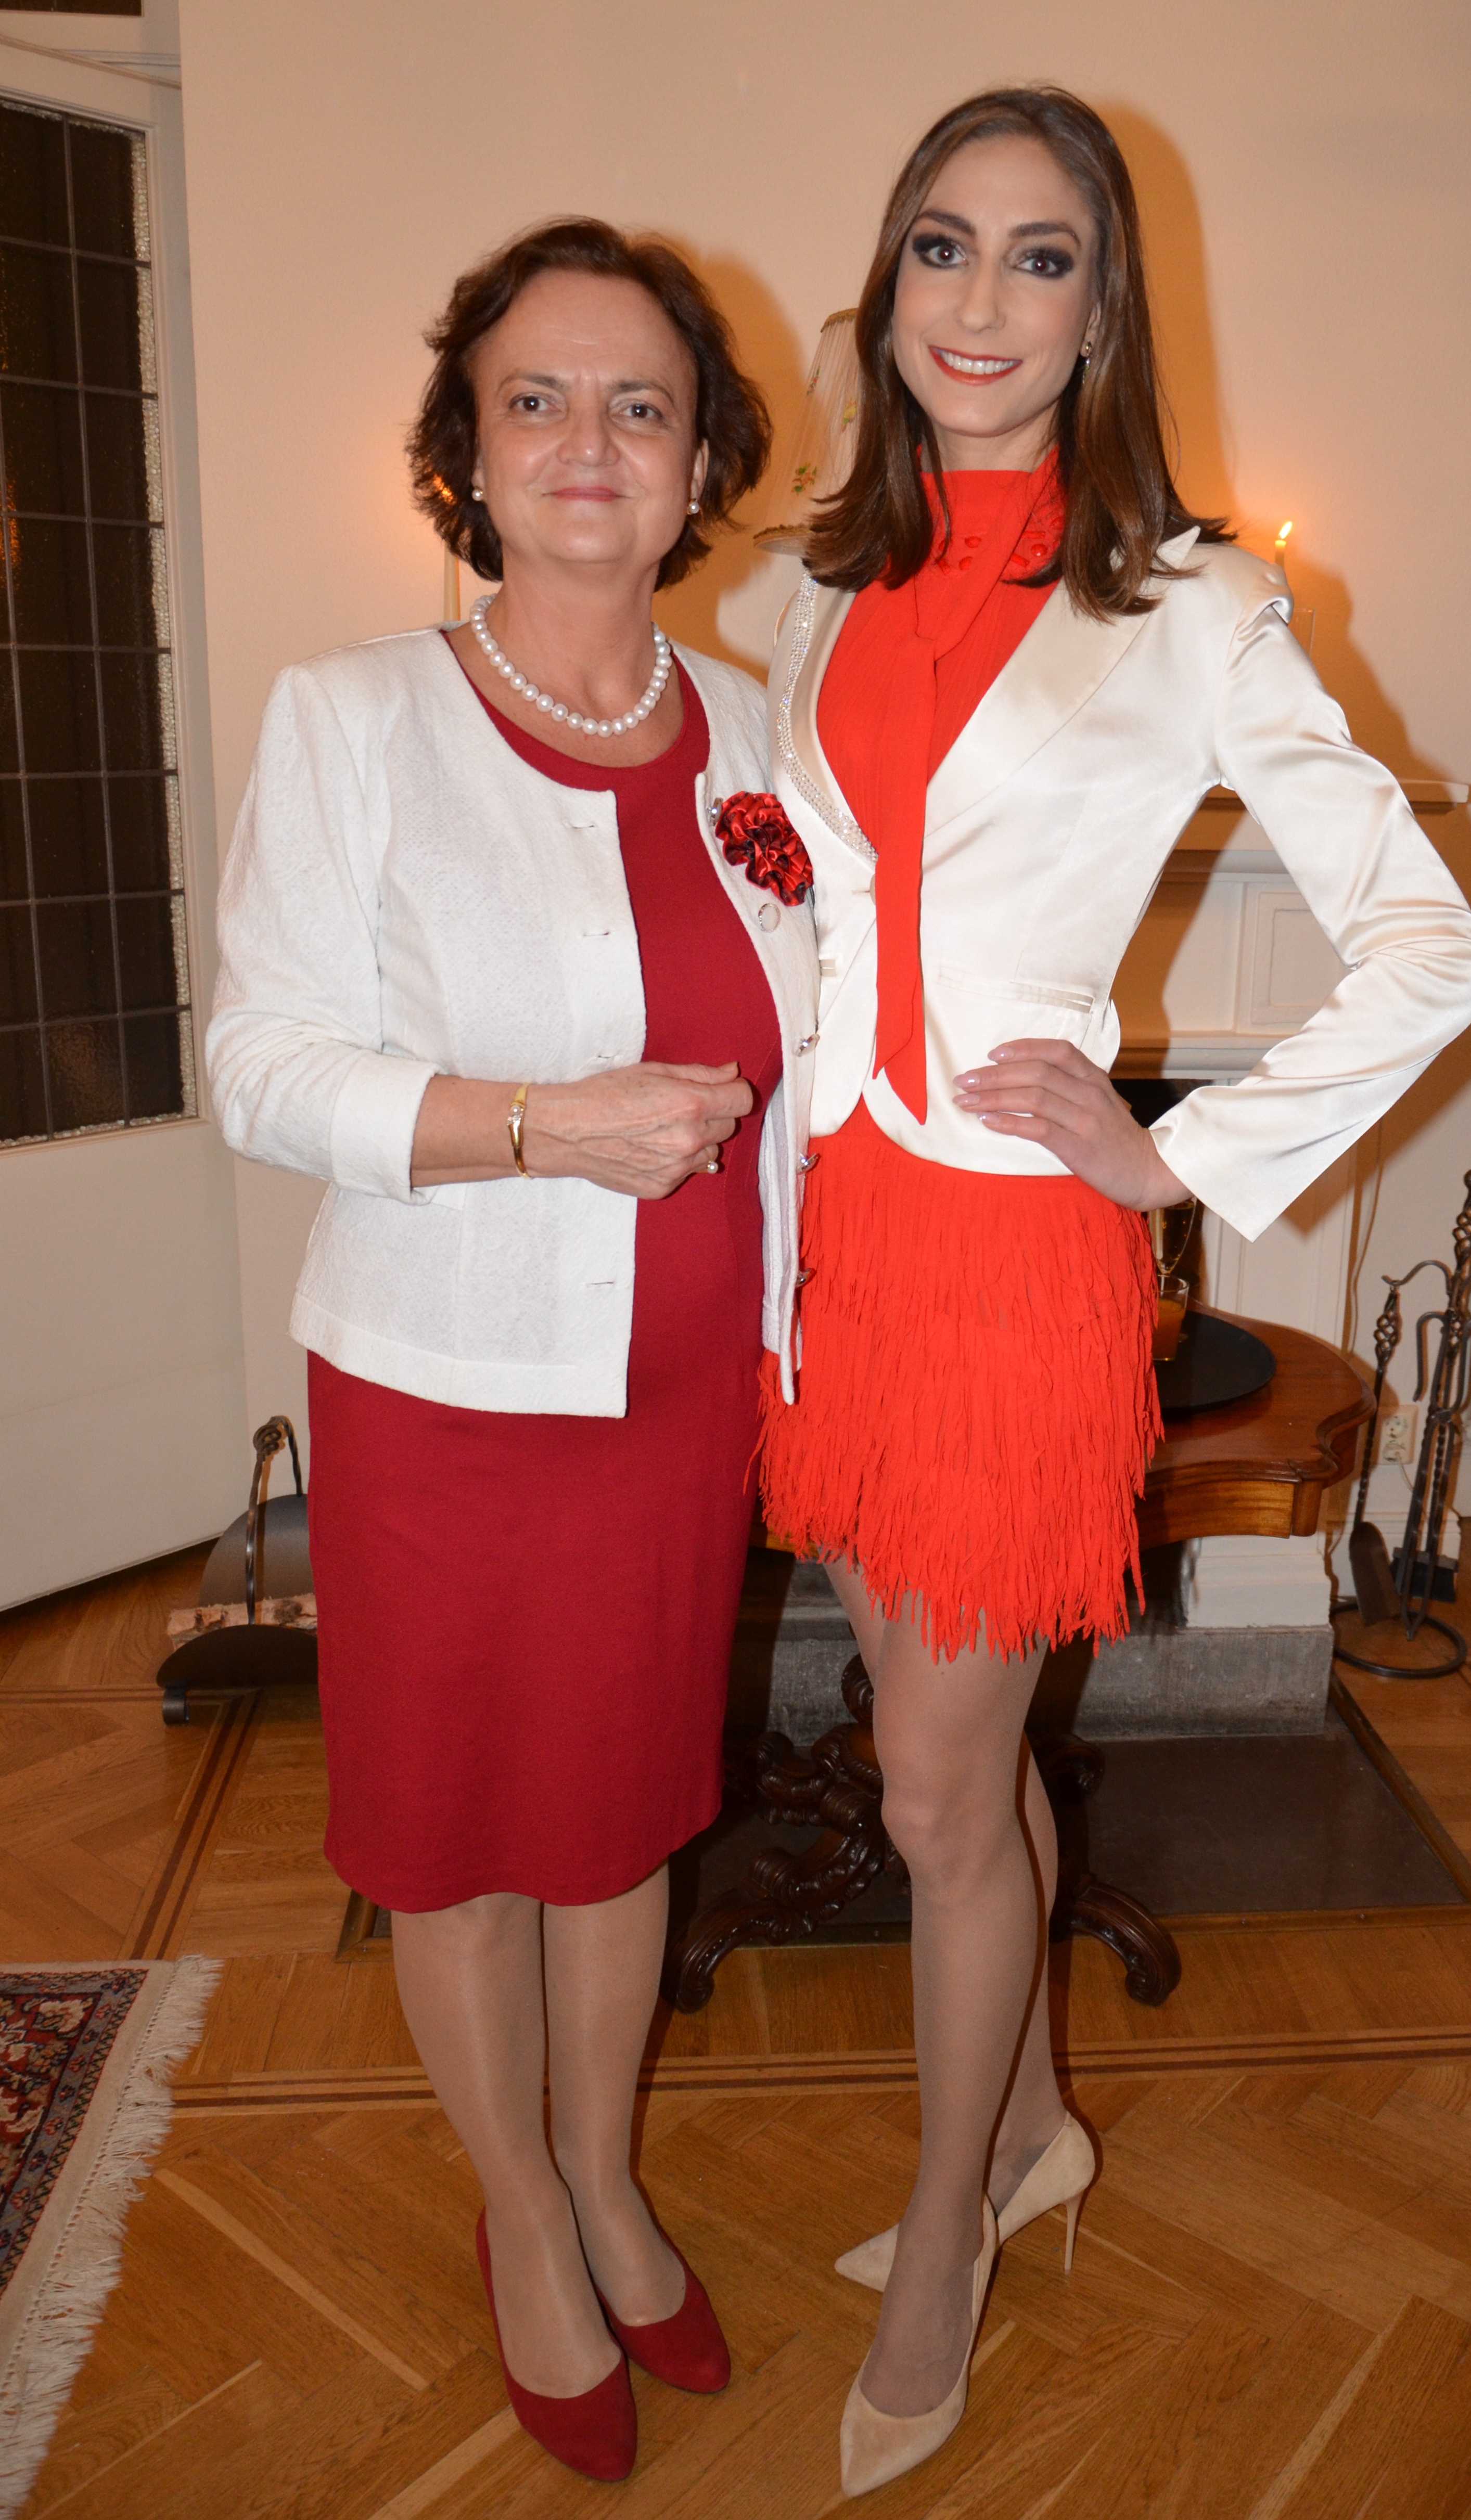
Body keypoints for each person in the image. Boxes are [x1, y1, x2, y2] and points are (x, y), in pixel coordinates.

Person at [759, 88, 1471, 2497]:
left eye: (1040, 256)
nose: (979, 301)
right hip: (840, 1243)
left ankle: (947, 2230)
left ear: (1106, 314)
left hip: (1011, 1263)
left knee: (931, 1787)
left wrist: (1177, 1150)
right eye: (940, 247)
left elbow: (1432, 940)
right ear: (889, 283)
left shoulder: (1192, 602)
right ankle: (1038, 2123)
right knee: (954, 1770)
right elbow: (812, 893)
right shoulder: (825, 581)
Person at [207, 218, 817, 2483]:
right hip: (447, 1389)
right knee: (468, 1837)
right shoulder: (356, 714)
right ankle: (529, 2214)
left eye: (640, 403)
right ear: (466, 452)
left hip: (679, 1393)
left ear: (700, 465)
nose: (589, 440)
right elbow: (259, 1061)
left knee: (620, 1812)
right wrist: (544, 1124)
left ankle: (609, 2168)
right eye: (535, 399)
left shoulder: (764, 732)